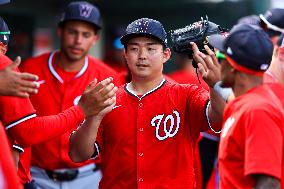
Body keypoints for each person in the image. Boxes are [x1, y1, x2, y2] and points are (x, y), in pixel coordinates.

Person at [69, 17, 226, 189]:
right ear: (125, 55)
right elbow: (77, 154)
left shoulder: (186, 94)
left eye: (151, 48)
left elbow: (218, 117)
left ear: (166, 55)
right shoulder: (108, 97)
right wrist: (93, 117)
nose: (142, 56)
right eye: (134, 48)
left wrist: (215, 86)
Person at [20, 1, 119, 189]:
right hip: (37, 176)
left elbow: (113, 134)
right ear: (60, 31)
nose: (78, 41)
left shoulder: (107, 76)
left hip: (88, 177)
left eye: (86, 34)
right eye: (72, 32)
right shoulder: (29, 69)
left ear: (95, 38)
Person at [205, 24, 284, 188]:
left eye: (221, 56)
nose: (217, 62)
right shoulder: (246, 103)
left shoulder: (258, 110)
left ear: (233, 67)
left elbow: (268, 183)